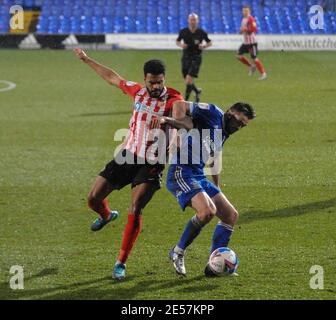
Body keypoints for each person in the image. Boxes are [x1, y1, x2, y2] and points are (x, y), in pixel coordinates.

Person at [73, 48, 183, 280]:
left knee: (135, 208)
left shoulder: (174, 99)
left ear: (165, 79)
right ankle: (105, 216)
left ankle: (120, 263)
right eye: (152, 82)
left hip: (152, 161)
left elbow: (186, 122)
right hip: (127, 155)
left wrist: (167, 120)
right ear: (145, 79)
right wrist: (86, 59)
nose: (156, 86)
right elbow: (113, 78)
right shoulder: (137, 92)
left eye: (160, 82)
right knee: (93, 198)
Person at [159, 101, 255, 276]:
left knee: (230, 215)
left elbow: (215, 156)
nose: (239, 127)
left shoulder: (225, 132)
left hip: (198, 176)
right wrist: (178, 134)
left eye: (243, 125)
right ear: (230, 112)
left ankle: (214, 265)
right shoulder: (211, 112)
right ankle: (178, 251)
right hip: (181, 172)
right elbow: (179, 104)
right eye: (239, 121)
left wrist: (216, 186)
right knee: (207, 211)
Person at [176, 13, 212, 102]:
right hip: (186, 56)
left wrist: (204, 46)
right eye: (191, 19)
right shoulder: (183, 31)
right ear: (188, 20)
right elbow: (177, 41)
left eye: (194, 20)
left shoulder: (201, 32)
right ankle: (197, 91)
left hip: (196, 57)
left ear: (197, 21)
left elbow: (209, 42)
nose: (193, 22)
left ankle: (185, 101)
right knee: (187, 79)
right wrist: (181, 45)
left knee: (189, 79)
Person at [236, 6, 267, 80]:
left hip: (252, 42)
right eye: (244, 11)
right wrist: (241, 31)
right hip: (246, 42)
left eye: (246, 11)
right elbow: (242, 30)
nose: (245, 12)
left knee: (254, 58)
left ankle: (263, 74)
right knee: (238, 55)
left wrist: (246, 29)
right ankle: (251, 66)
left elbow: (254, 29)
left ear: (249, 11)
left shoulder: (251, 19)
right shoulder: (243, 19)